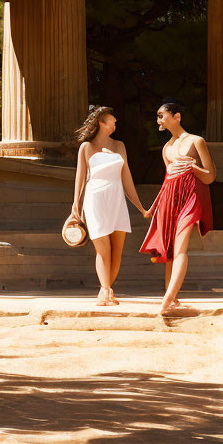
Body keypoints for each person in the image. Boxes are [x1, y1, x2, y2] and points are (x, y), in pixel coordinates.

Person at [141, 100, 216, 315]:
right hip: (169, 199)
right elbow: (167, 181)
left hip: (191, 198)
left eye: (162, 115)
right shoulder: (166, 148)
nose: (158, 120)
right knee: (170, 251)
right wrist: (154, 207)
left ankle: (166, 299)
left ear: (177, 117)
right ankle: (173, 298)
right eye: (157, 116)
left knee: (181, 247)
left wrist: (192, 166)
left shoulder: (196, 141)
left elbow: (210, 177)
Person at [71, 106, 148, 306]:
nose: (116, 122)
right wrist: (76, 209)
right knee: (103, 250)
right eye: (112, 119)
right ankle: (106, 290)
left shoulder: (119, 145)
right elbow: (80, 180)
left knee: (117, 251)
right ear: (102, 122)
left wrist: (140, 208)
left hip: (117, 199)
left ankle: (106, 290)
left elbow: (127, 179)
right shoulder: (86, 147)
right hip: (95, 198)